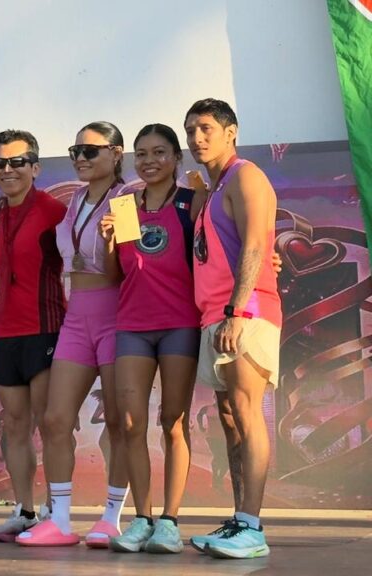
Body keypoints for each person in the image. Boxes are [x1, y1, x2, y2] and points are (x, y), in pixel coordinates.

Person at [18, 121, 130, 548]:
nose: (81, 159)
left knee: (118, 420)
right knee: (55, 418)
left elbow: (132, 267)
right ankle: (60, 520)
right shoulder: (77, 199)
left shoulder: (126, 199)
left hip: (116, 314)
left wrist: (115, 243)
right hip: (77, 315)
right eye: (75, 152)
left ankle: (112, 517)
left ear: (116, 153)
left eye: (90, 151)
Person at [184, 98, 281, 560]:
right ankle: (240, 520)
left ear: (231, 131)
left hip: (244, 313)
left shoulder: (246, 176)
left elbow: (257, 244)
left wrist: (238, 311)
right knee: (229, 420)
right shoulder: (213, 189)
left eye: (206, 128)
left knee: (246, 411)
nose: (196, 138)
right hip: (214, 315)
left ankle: (252, 527)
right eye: (190, 130)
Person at [100, 125, 201, 553]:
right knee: (129, 423)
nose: (149, 161)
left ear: (177, 157)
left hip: (180, 322)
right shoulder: (124, 207)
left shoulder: (192, 202)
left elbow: (216, 254)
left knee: (173, 421)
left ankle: (169, 522)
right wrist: (108, 243)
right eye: (141, 154)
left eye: (159, 152)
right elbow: (116, 274)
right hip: (133, 325)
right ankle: (141, 519)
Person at [0, 130, 67, 543]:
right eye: (0, 163)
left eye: (17, 162)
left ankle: (55, 511)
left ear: (35, 167)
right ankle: (25, 510)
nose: (8, 170)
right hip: (7, 333)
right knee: (14, 426)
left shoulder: (54, 210)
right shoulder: (0, 212)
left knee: (50, 425)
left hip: (46, 329)